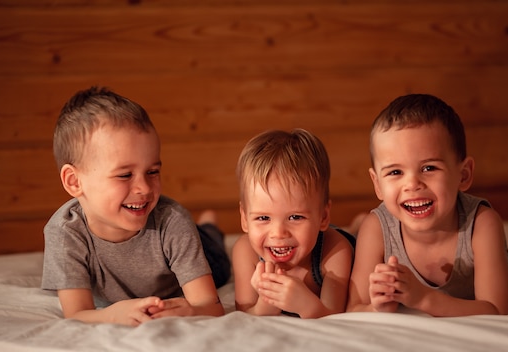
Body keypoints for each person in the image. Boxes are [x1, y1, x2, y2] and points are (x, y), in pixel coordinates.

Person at [41, 86, 230, 326]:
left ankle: (209, 227)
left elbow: (211, 307)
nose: (144, 188)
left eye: (152, 171)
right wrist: (114, 313)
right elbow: (77, 313)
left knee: (217, 256)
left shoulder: (172, 221)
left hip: (201, 253)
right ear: (74, 181)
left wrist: (189, 311)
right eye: (124, 175)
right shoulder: (64, 232)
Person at [348, 94, 508, 317]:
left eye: (429, 168)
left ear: (463, 175)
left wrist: (424, 298)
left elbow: (495, 309)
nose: (412, 184)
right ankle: (354, 227)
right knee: (352, 237)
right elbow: (354, 307)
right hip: (368, 225)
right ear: (377, 185)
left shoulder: (481, 223)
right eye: (395, 172)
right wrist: (377, 306)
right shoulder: (376, 228)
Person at [232, 129, 355, 318]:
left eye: (295, 217)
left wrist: (305, 304)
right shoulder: (245, 251)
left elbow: (333, 316)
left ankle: (357, 225)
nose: (278, 233)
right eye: (263, 218)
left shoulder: (335, 251)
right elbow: (244, 313)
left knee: (357, 236)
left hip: (331, 237)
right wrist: (266, 303)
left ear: (323, 216)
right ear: (244, 219)